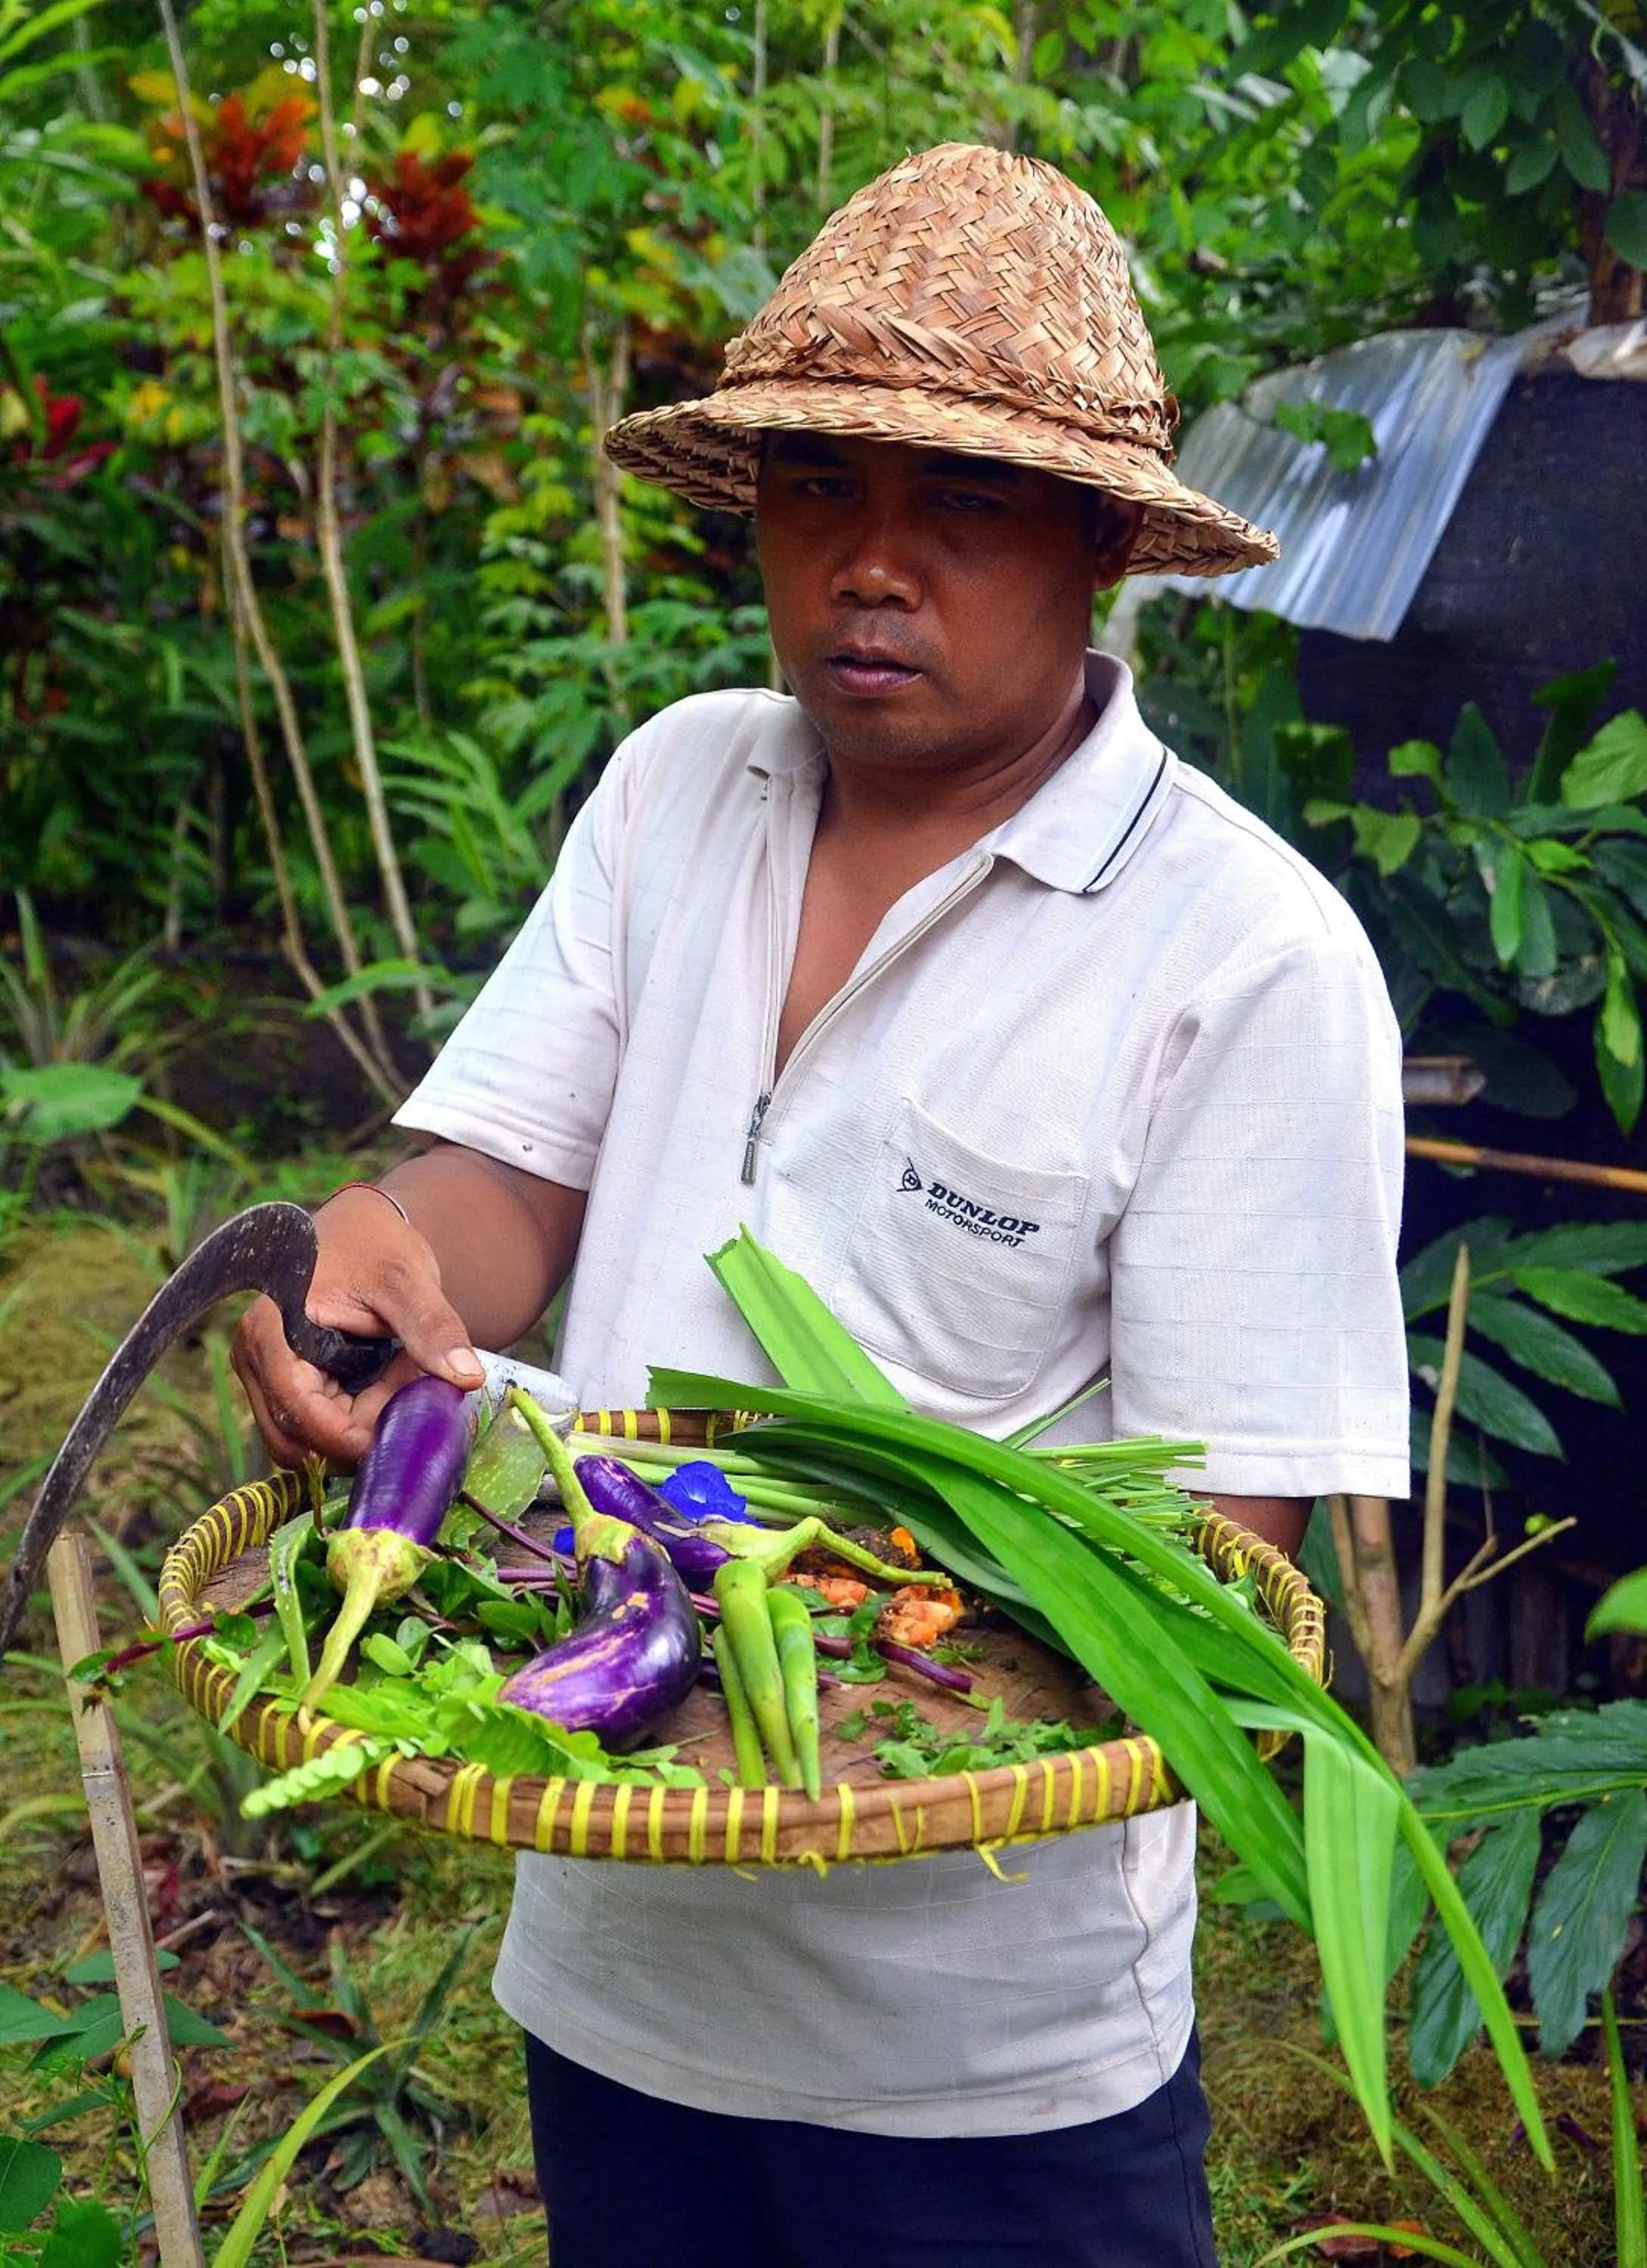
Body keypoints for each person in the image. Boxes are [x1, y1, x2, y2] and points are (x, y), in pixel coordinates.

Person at [234, 143, 1410, 2266]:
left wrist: (809, 1653)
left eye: (958, 504)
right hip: (614, 1969)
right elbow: (504, 1185)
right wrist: (374, 1266)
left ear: (1102, 552)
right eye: (817, 490)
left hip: (987, 2061)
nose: (872, 566)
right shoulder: (682, 784)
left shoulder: (1246, 961)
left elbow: (1216, 1562)